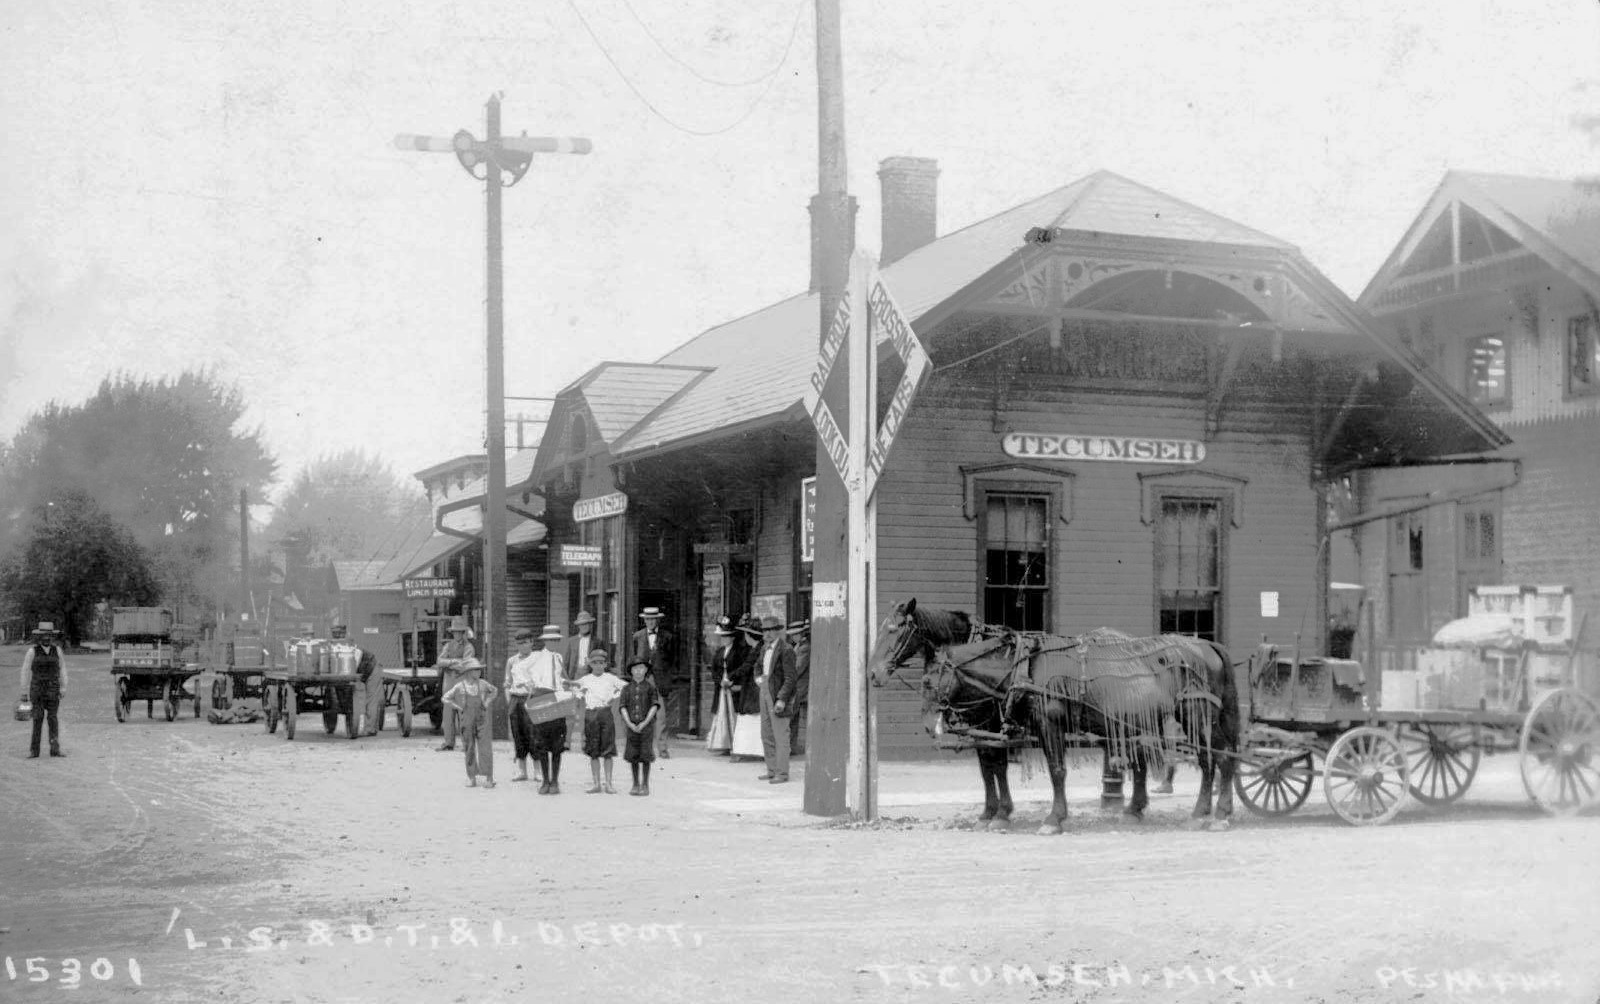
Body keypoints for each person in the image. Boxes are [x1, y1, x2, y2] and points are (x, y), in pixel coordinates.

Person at [568, 649, 626, 794]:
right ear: (590, 663)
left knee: (608, 751)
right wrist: (579, 693)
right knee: (593, 751)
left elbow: (625, 687)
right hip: (591, 715)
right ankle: (596, 784)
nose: (598, 666)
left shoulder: (610, 678)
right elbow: (574, 689)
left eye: (601, 663)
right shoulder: (585, 679)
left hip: (605, 713)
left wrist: (614, 696)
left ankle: (609, 784)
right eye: (595, 663)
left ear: (606, 664)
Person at [526, 624, 570, 794]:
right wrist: (530, 684)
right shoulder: (536, 657)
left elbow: (563, 678)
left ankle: (555, 781)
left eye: (556, 640)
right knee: (542, 743)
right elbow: (520, 670)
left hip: (557, 699)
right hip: (541, 698)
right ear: (544, 641)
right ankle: (545, 781)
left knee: (557, 744)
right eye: (550, 640)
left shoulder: (558, 657)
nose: (553, 642)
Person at [754, 615, 797, 784]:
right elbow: (757, 667)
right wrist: (758, 680)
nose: (768, 633)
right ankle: (771, 769)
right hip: (765, 691)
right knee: (766, 733)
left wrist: (781, 699)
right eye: (765, 630)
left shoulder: (786, 650)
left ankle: (782, 773)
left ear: (778, 631)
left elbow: (790, 678)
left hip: (777, 694)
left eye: (771, 630)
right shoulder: (764, 649)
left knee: (781, 735)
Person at [442, 658, 498, 788]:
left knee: (485, 747)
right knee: (469, 747)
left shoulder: (483, 684)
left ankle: (489, 777)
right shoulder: (460, 686)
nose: (478, 672)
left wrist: (487, 702)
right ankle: (471, 777)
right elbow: (445, 698)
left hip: (482, 719)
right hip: (466, 720)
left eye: (479, 670)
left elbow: (494, 691)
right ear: (468, 672)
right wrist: (458, 707)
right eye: (475, 670)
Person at [630, 607, 675, 758]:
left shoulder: (667, 637)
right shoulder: (637, 636)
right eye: (647, 619)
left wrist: (667, 676)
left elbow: (672, 660)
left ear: (657, 620)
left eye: (653, 619)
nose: (650, 622)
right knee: (641, 714)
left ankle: (662, 749)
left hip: (660, 681)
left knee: (661, 716)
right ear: (644, 620)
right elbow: (634, 659)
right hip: (643, 680)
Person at [18, 621, 67, 758]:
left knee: (53, 719)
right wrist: (23, 691)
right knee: (37, 719)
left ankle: (55, 750)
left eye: (49, 635)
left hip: (53, 689)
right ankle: (34, 751)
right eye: (44, 636)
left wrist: (63, 687)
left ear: (52, 637)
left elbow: (62, 669)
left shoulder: (57, 651)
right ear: (39, 637)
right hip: (37, 690)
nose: (46, 638)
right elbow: (25, 671)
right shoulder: (32, 652)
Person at [503, 628, 544, 781]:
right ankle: (521, 770)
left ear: (532, 642)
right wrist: (509, 701)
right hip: (515, 699)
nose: (523, 646)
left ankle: (538, 771)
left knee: (534, 734)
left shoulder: (538, 658)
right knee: (518, 735)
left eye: (525, 642)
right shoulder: (512, 661)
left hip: (532, 698)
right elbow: (507, 683)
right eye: (519, 643)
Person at [332, 626, 383, 738]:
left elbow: (352, 671)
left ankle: (370, 729)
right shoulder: (341, 650)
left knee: (371, 700)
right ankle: (370, 728)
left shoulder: (355, 651)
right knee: (369, 700)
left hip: (373, 670)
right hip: (366, 671)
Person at [434, 616, 476, 752]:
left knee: (463, 714)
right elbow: (440, 661)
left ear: (463, 633)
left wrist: (449, 663)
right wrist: (453, 662)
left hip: (462, 683)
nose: (457, 634)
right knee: (448, 714)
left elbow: (465, 664)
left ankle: (466, 744)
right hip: (449, 684)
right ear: (452, 633)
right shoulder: (448, 645)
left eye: (460, 631)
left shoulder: (469, 646)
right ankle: (448, 743)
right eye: (455, 632)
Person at [703, 615, 744, 755]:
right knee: (722, 714)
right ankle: (724, 744)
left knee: (734, 715)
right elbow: (714, 669)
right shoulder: (719, 652)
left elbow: (742, 668)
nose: (724, 639)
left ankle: (736, 745)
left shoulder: (739, 651)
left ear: (733, 637)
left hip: (733, 687)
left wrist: (732, 680)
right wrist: (719, 680)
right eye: (723, 637)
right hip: (722, 688)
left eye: (727, 636)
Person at [619, 657, 660, 796]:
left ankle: (645, 785)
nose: (638, 671)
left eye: (641, 668)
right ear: (631, 671)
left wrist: (644, 722)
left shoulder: (650, 687)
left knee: (646, 754)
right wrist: (629, 723)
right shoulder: (626, 688)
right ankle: (635, 784)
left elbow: (654, 706)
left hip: (646, 727)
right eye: (635, 668)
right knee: (633, 755)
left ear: (646, 670)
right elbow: (623, 707)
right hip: (632, 727)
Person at [727, 615, 765, 761]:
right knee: (752, 719)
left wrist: (730, 677)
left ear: (750, 636)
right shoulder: (757, 648)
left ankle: (744, 751)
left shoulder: (757, 650)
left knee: (750, 719)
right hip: (752, 688)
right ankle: (753, 751)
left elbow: (746, 667)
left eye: (745, 633)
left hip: (753, 689)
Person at [785, 619, 811, 757]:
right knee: (793, 718)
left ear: (801, 634)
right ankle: (791, 746)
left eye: (795, 634)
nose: (793, 637)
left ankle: (789, 746)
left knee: (791, 716)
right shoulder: (798, 646)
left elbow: (798, 668)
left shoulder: (804, 647)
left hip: (800, 687)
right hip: (797, 686)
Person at [561, 611, 608, 682]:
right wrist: (565, 680)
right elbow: (565, 663)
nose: (584, 627)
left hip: (591, 675)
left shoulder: (597, 642)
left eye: (586, 624)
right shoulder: (571, 641)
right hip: (575, 675)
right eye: (582, 624)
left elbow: (603, 660)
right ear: (578, 626)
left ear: (590, 625)